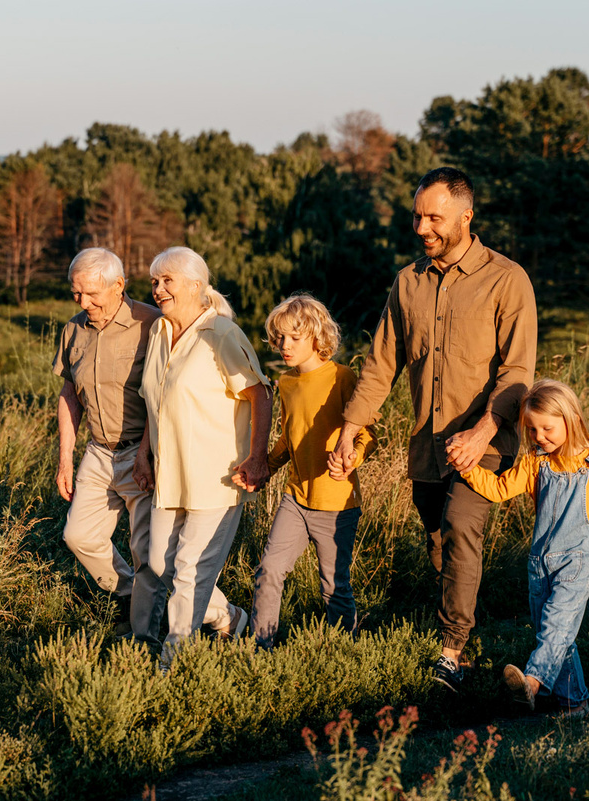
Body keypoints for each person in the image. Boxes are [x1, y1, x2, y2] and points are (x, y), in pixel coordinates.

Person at [330, 166, 537, 690]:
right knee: (439, 537)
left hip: (487, 441)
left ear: (467, 217)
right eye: (418, 216)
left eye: (434, 218)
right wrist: (351, 427)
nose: (423, 228)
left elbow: (517, 372)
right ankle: (465, 641)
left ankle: (451, 649)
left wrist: (486, 430)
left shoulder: (506, 279)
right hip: (429, 444)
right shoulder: (407, 282)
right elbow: (381, 364)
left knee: (463, 524)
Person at [449, 379, 589, 718]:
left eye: (547, 428)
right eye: (532, 430)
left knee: (557, 625)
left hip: (579, 561)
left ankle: (532, 683)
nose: (540, 436)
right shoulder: (535, 463)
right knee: (555, 631)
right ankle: (575, 703)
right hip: (540, 562)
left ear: (570, 419)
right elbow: (499, 489)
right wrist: (467, 468)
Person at [137, 246, 272, 667]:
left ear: (196, 285)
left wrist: (258, 457)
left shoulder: (222, 334)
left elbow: (260, 393)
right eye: (155, 281)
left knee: (190, 572)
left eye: (167, 280)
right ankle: (231, 618)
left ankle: (172, 664)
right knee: (160, 564)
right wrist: (144, 455)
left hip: (217, 477)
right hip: (168, 476)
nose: (158, 289)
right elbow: (155, 402)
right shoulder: (159, 333)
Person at [246, 293, 377, 649]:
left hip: (338, 504)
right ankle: (260, 649)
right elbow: (287, 442)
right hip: (296, 499)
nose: (283, 346)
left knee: (334, 586)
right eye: (280, 338)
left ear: (317, 338)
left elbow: (367, 433)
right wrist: (262, 470)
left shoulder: (342, 378)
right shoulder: (285, 384)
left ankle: (342, 653)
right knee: (269, 571)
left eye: (294, 338)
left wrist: (353, 457)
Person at [52, 248, 163, 645]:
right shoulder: (73, 329)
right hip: (98, 452)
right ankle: (129, 594)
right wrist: (65, 459)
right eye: (76, 293)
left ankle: (145, 638)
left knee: (147, 550)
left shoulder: (152, 324)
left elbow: (160, 395)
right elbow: (69, 395)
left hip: (142, 451)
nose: (83, 303)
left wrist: (148, 454)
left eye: (92, 294)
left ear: (118, 286)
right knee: (78, 536)